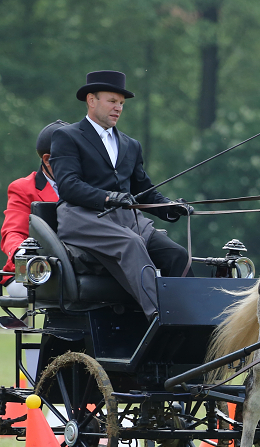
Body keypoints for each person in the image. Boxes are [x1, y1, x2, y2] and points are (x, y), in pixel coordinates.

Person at [51, 70, 192, 320]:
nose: (118, 108)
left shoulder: (131, 145)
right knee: (131, 244)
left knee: (177, 254)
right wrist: (108, 197)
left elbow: (143, 189)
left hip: (125, 220)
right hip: (83, 218)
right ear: (91, 100)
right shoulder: (67, 136)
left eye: (122, 104)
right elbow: (69, 186)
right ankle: (160, 317)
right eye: (112, 101)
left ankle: (190, 316)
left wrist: (169, 207)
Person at [0, 120, 69, 296]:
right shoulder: (23, 189)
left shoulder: (89, 186)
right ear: (47, 160)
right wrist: (23, 253)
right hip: (35, 268)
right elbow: (12, 233)